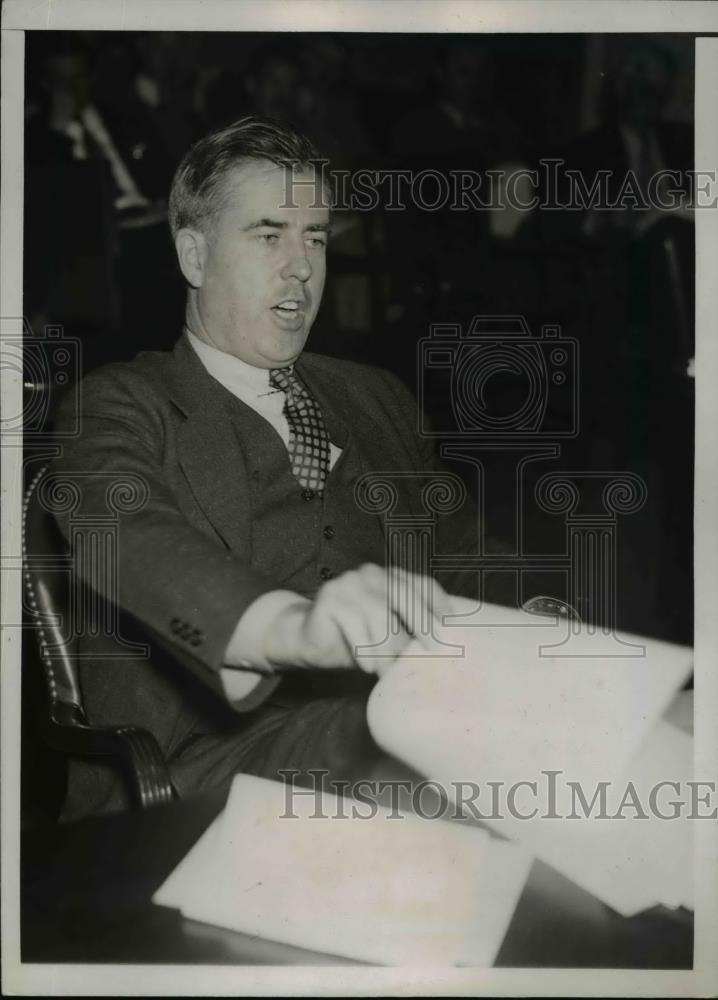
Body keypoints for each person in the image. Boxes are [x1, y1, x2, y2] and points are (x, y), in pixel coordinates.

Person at [50, 116, 493, 820]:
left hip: (396, 731)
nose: (302, 266)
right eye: (268, 235)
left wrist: (537, 632)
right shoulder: (118, 402)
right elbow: (124, 535)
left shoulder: (375, 396)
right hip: (192, 769)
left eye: (314, 237)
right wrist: (292, 629)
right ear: (194, 258)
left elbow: (472, 558)